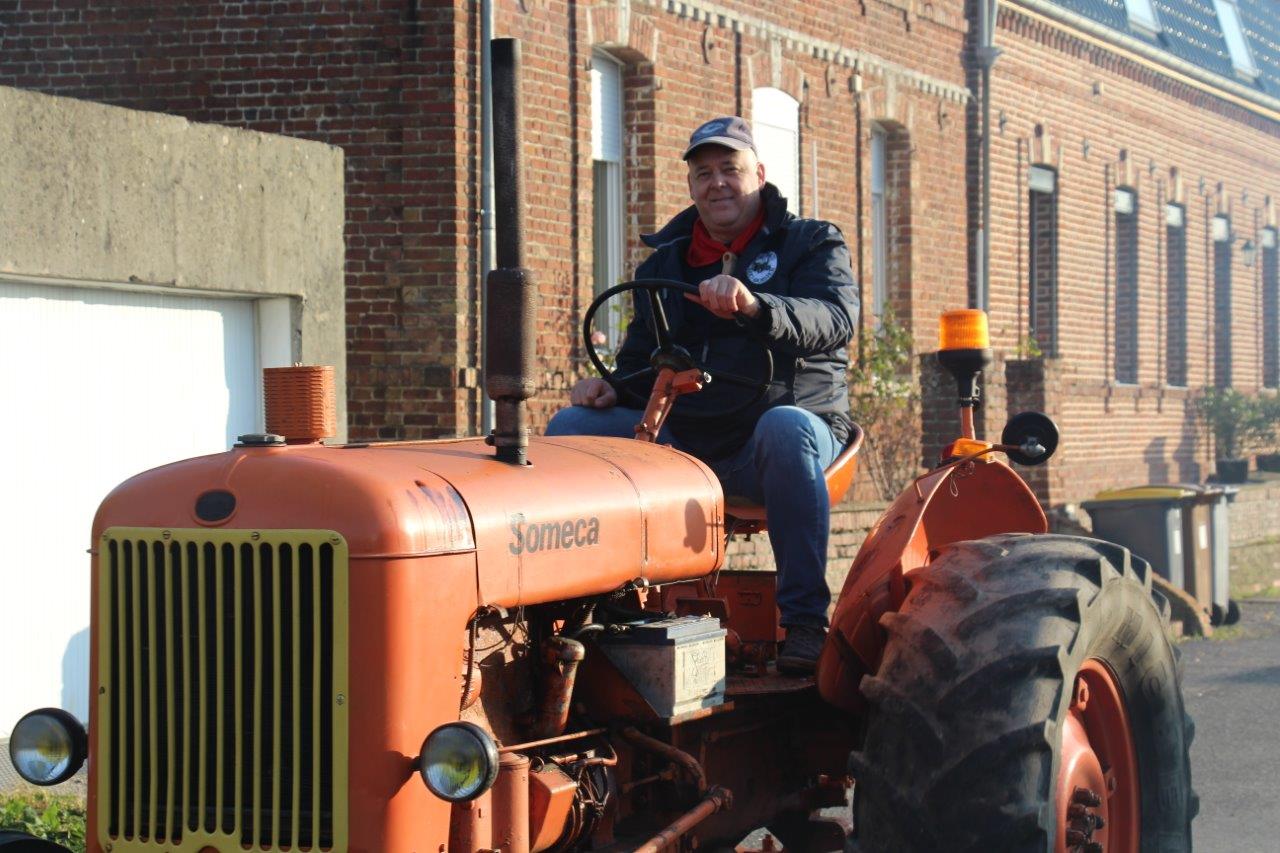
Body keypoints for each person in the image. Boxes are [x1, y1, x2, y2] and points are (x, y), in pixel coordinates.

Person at [547, 116, 858, 674]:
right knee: (571, 430)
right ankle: (593, 611)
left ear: (759, 174)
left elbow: (835, 319)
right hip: (690, 442)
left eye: (730, 170)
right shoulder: (665, 264)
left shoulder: (811, 243)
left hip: (784, 439)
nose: (717, 183)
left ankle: (807, 621)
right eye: (703, 173)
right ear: (690, 186)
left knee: (784, 426)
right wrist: (609, 387)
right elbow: (645, 363)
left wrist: (757, 306)